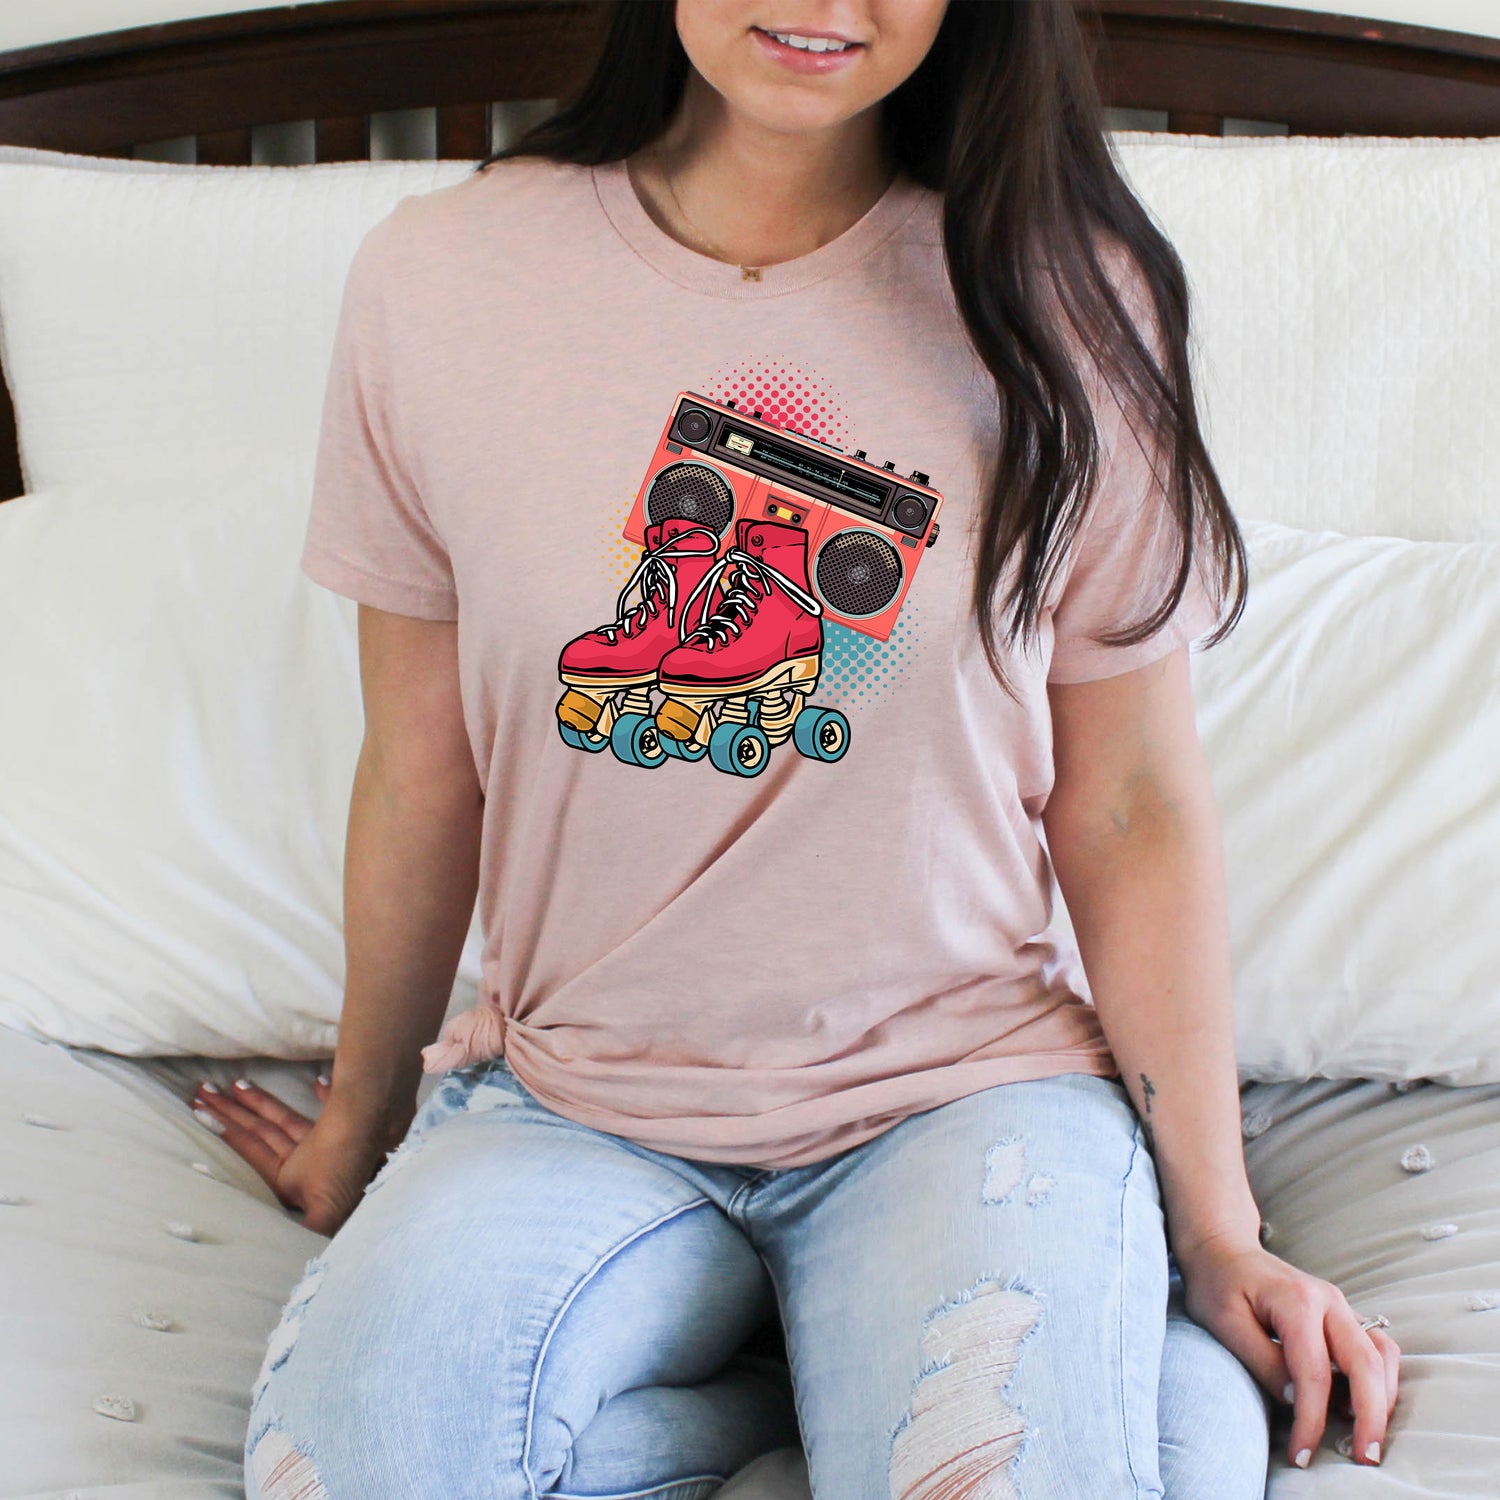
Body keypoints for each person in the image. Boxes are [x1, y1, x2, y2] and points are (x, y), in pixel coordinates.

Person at [206, 2, 1402, 1496]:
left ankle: (953, 1364)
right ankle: (841, 1401)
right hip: (578, 1100)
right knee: (342, 1471)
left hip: (957, 1092)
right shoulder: (441, 278)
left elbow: (1131, 802)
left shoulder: (1069, 297)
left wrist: (1220, 1231)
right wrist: (357, 1122)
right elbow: (418, 768)